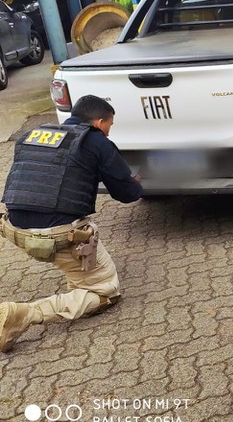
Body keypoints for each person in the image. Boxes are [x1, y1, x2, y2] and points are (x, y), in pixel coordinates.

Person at [0, 95, 142, 352]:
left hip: (15, 228)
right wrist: (135, 182)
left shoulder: (33, 134)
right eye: (110, 125)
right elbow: (127, 194)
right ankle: (24, 314)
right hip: (56, 236)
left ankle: (78, 281)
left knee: (78, 264)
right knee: (106, 292)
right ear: (99, 122)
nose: (109, 131)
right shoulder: (96, 140)